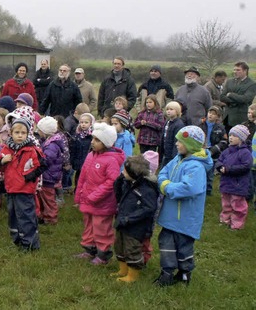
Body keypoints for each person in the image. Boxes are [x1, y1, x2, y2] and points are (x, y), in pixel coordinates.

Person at [155, 126, 213, 287]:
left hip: (185, 218)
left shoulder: (196, 167)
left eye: (180, 141)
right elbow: (162, 173)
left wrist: (167, 188)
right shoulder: (178, 159)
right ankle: (166, 272)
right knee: (166, 243)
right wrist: (165, 183)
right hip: (170, 216)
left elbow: (189, 188)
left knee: (183, 247)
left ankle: (184, 273)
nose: (176, 144)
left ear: (191, 145)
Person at [74, 122, 125, 265]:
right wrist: (79, 194)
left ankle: (103, 254)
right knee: (89, 225)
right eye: (93, 139)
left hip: (102, 202)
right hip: (88, 199)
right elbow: (82, 176)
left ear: (106, 143)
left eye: (97, 140)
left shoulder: (111, 160)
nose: (93, 142)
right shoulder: (91, 155)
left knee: (101, 227)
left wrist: (95, 195)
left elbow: (111, 182)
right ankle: (90, 249)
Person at [0, 118, 45, 251]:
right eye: (17, 132)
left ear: (28, 134)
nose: (20, 135)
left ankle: (29, 243)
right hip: (11, 189)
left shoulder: (32, 150)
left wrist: (28, 177)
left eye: (23, 133)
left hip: (25, 189)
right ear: (11, 133)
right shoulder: (7, 149)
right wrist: (2, 162)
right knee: (13, 215)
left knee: (26, 216)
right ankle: (17, 239)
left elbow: (41, 165)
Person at [112, 155, 159, 283]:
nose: (123, 172)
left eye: (125, 171)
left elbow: (149, 208)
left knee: (132, 248)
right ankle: (123, 270)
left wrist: (129, 218)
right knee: (119, 246)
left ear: (134, 173)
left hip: (135, 226)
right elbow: (118, 195)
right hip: (122, 221)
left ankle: (133, 275)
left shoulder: (147, 189)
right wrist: (119, 180)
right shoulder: (128, 183)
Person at [216, 125, 251, 230]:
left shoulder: (245, 152)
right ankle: (225, 220)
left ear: (241, 139)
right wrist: (219, 167)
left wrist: (228, 169)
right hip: (226, 183)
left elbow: (246, 166)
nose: (230, 137)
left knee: (238, 206)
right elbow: (219, 160)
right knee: (226, 203)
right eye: (230, 135)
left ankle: (237, 225)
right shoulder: (227, 151)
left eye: (234, 136)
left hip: (238, 184)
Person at [35, 116, 65, 225]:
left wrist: (38, 159)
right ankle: (44, 215)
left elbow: (47, 160)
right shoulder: (47, 142)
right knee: (43, 197)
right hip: (47, 175)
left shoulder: (51, 146)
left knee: (48, 199)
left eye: (39, 130)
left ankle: (51, 218)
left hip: (49, 176)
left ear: (45, 132)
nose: (38, 132)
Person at [198, 106, 228, 194]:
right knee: (200, 170)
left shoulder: (220, 127)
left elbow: (224, 141)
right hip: (201, 150)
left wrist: (215, 149)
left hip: (213, 152)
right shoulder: (201, 124)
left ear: (218, 117)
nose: (210, 115)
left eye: (214, 114)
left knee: (210, 172)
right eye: (210, 113)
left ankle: (208, 190)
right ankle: (199, 187)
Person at [220, 62, 256, 128]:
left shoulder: (252, 84)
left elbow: (245, 99)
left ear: (245, 71)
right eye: (234, 70)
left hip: (240, 119)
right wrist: (236, 100)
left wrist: (230, 94)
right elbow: (222, 97)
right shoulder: (229, 82)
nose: (235, 72)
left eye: (238, 70)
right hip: (227, 117)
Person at [70, 113, 95, 192]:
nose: (83, 124)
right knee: (78, 178)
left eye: (86, 122)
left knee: (87, 180)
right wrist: (72, 161)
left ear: (91, 124)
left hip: (88, 162)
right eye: (81, 122)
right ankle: (77, 192)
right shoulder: (77, 136)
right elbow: (74, 149)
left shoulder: (92, 137)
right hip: (78, 161)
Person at [160, 101, 186, 168]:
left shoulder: (179, 125)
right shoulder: (167, 122)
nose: (168, 111)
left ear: (177, 111)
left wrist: (174, 157)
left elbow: (177, 141)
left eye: (171, 109)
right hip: (165, 153)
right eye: (167, 109)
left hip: (172, 155)